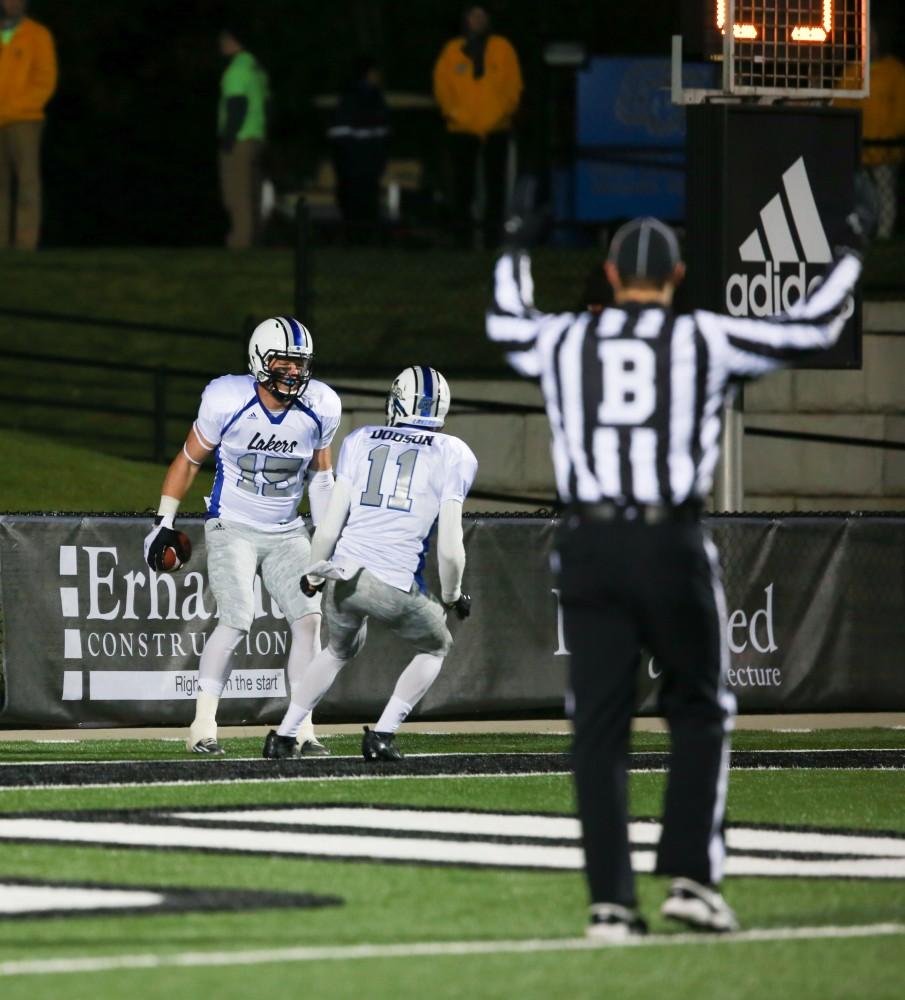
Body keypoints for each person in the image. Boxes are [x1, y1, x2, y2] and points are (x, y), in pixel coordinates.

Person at [486, 188, 870, 939]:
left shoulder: (568, 339)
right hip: (668, 541)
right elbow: (816, 324)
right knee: (697, 708)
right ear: (677, 273)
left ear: (606, 272)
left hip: (589, 544)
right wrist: (853, 250)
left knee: (595, 726)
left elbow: (506, 322)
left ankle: (608, 903)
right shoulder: (703, 337)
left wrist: (511, 246)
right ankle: (692, 879)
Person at [144, 317, 340, 756]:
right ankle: (203, 725)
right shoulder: (226, 398)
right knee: (237, 617)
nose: (292, 371)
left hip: (288, 530)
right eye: (283, 361)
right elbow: (189, 460)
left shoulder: (321, 405)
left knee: (309, 622)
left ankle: (300, 729)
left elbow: (323, 480)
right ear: (259, 359)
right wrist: (164, 521)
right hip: (231, 522)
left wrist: (325, 547)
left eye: (300, 363)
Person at [262, 365, 477, 762]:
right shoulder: (454, 453)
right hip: (391, 583)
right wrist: (452, 595)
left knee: (336, 651)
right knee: (436, 645)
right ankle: (382, 734)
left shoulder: (361, 439)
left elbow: (329, 525)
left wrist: (313, 571)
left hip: (341, 576)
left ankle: (284, 735)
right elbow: (450, 547)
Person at [433, 5, 522, 248]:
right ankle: (463, 240)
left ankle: (493, 240)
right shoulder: (452, 51)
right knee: (462, 189)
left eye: (481, 16)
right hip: (461, 130)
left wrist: (499, 115)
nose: (477, 20)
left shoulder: (502, 48)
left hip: (496, 129)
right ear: (465, 19)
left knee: (495, 188)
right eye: (472, 15)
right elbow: (442, 88)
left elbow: (513, 87)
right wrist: (454, 114)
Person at [835, 20, 905, 238]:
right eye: (867, 36)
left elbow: (901, 110)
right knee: (861, 195)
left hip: (886, 150)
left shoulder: (895, 71)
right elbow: (842, 103)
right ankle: (863, 232)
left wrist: (889, 137)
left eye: (874, 36)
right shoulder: (854, 71)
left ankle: (884, 235)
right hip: (859, 148)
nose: (871, 41)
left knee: (886, 196)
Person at [0, 0, 56, 250]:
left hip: (25, 120)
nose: (12, 3)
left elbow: (45, 80)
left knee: (27, 183)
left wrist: (15, 108)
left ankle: (25, 245)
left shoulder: (38, 34)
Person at [218, 24, 270, 249]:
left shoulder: (236, 70)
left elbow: (237, 105)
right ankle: (255, 239)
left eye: (224, 39)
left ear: (233, 41)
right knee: (253, 192)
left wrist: (228, 138)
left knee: (237, 194)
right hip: (257, 137)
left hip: (240, 140)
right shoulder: (258, 70)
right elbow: (267, 105)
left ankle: (241, 242)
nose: (221, 44)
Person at [327, 55, 390, 240]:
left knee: (364, 206)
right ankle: (357, 240)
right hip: (355, 166)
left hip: (363, 166)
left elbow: (383, 134)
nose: (378, 77)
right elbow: (341, 134)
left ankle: (363, 239)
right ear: (368, 74)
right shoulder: (355, 98)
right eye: (375, 73)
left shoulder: (375, 98)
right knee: (356, 207)